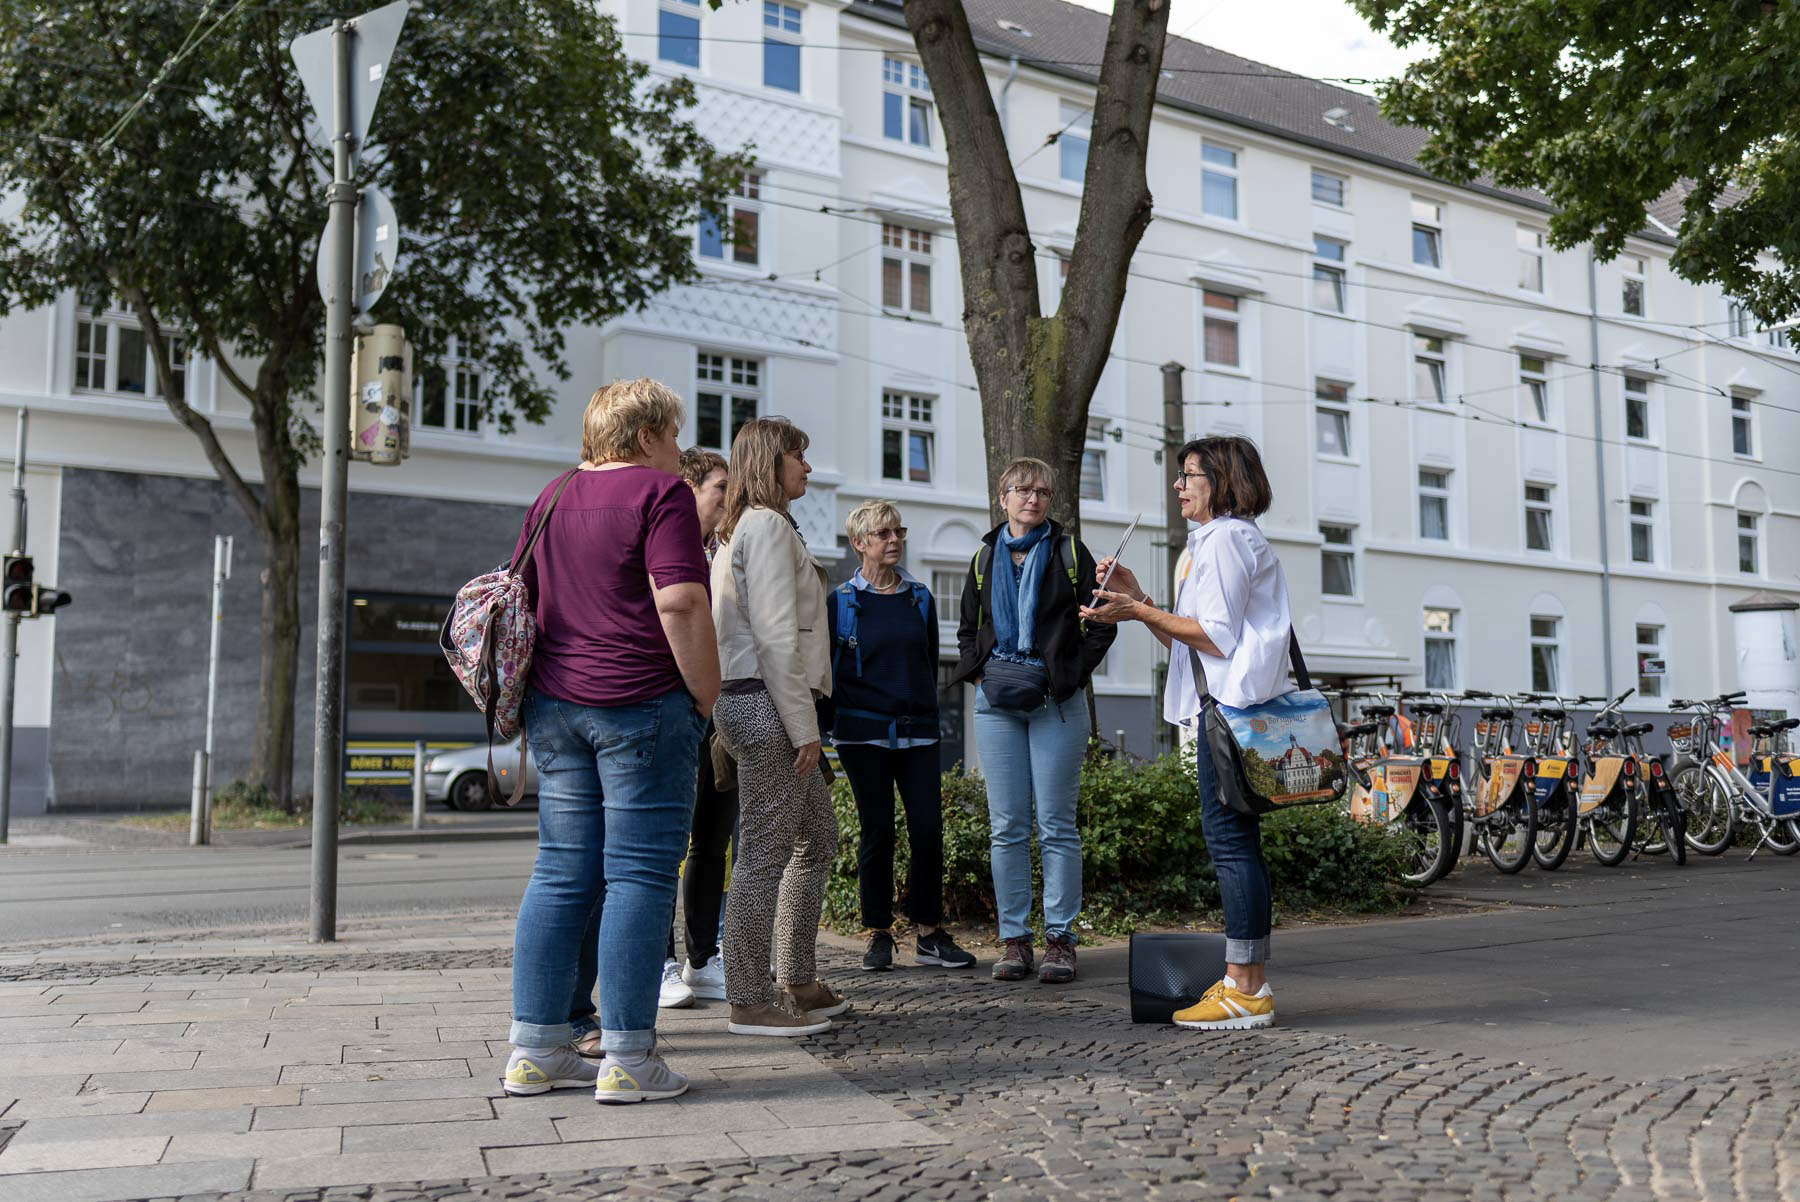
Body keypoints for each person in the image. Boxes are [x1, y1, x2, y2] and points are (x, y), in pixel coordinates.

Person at [502, 378, 719, 1104]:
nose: (680, 449)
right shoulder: (662, 495)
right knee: (639, 876)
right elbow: (680, 601)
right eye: (674, 434)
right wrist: (706, 693)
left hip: (555, 708)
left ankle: (536, 1050)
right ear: (646, 435)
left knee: (562, 872)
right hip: (640, 703)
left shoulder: (554, 494)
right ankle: (628, 1058)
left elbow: (526, 598)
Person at [1080, 434, 1288, 1030]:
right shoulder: (1222, 540)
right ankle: (1246, 982)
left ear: (1220, 481)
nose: (1178, 485)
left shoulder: (1224, 539)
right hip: (1226, 712)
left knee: (1231, 845)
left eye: (1189, 474)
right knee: (1237, 844)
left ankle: (1245, 989)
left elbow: (1214, 637)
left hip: (1228, 715)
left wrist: (1136, 610)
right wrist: (1138, 598)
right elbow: (1187, 642)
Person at [953, 457, 1115, 985]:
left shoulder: (1070, 553)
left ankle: (1061, 940)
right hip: (997, 704)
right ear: (1002, 498)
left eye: (1042, 492)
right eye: (1023, 490)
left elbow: (1103, 622)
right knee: (1007, 828)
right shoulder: (984, 556)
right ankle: (1015, 940)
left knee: (1056, 825)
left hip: (1056, 704)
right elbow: (967, 628)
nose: (1033, 499)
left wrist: (1068, 674)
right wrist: (982, 675)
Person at [710, 417, 843, 1037]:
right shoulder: (764, 525)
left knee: (816, 834)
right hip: (766, 704)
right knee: (764, 853)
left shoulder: (751, 524)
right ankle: (747, 998)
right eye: (798, 455)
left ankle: (797, 979)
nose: (807, 467)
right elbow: (774, 636)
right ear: (771, 460)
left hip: (761, 701)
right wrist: (803, 725)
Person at [829, 500, 976, 973]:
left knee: (928, 829)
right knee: (878, 831)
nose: (894, 540)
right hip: (862, 735)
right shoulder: (841, 602)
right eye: (883, 533)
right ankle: (878, 933)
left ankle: (929, 934)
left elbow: (928, 662)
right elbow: (828, 671)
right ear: (859, 543)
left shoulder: (920, 598)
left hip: (919, 734)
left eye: (898, 531)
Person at [651, 448, 737, 1011]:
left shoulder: (728, 551)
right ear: (690, 489)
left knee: (712, 838)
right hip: (673, 707)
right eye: (720, 486)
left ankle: (702, 959)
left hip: (719, 712)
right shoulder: (666, 547)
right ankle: (658, 961)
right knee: (662, 841)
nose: (730, 496)